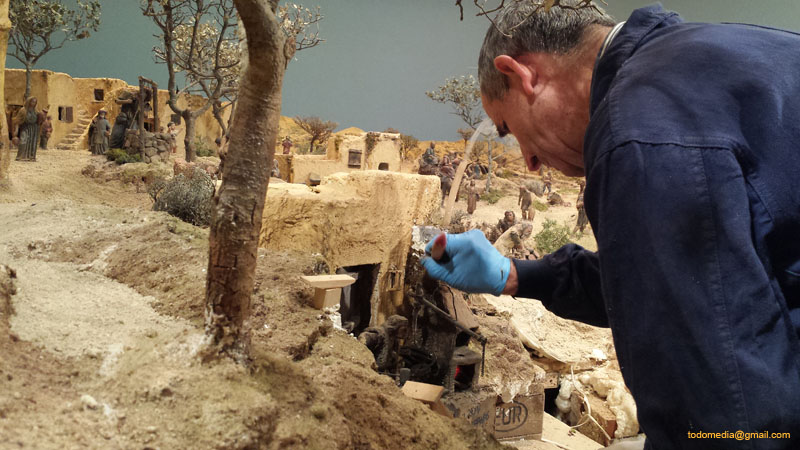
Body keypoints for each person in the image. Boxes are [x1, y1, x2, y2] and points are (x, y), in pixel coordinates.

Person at [422, 2, 800, 449]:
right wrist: (516, 274)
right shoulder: (743, 53)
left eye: (508, 128)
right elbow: (678, 276)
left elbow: (726, 415)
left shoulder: (640, 132)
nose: (529, 159)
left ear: (522, 75)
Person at [12, 97, 44, 162]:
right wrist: (15, 132)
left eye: (35, 102)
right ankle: (21, 156)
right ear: (29, 102)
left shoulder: (36, 111)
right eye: (32, 102)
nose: (33, 103)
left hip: (34, 129)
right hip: (25, 128)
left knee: (33, 142)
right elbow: (18, 121)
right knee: (23, 141)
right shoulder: (23, 110)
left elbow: (39, 121)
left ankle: (31, 156)